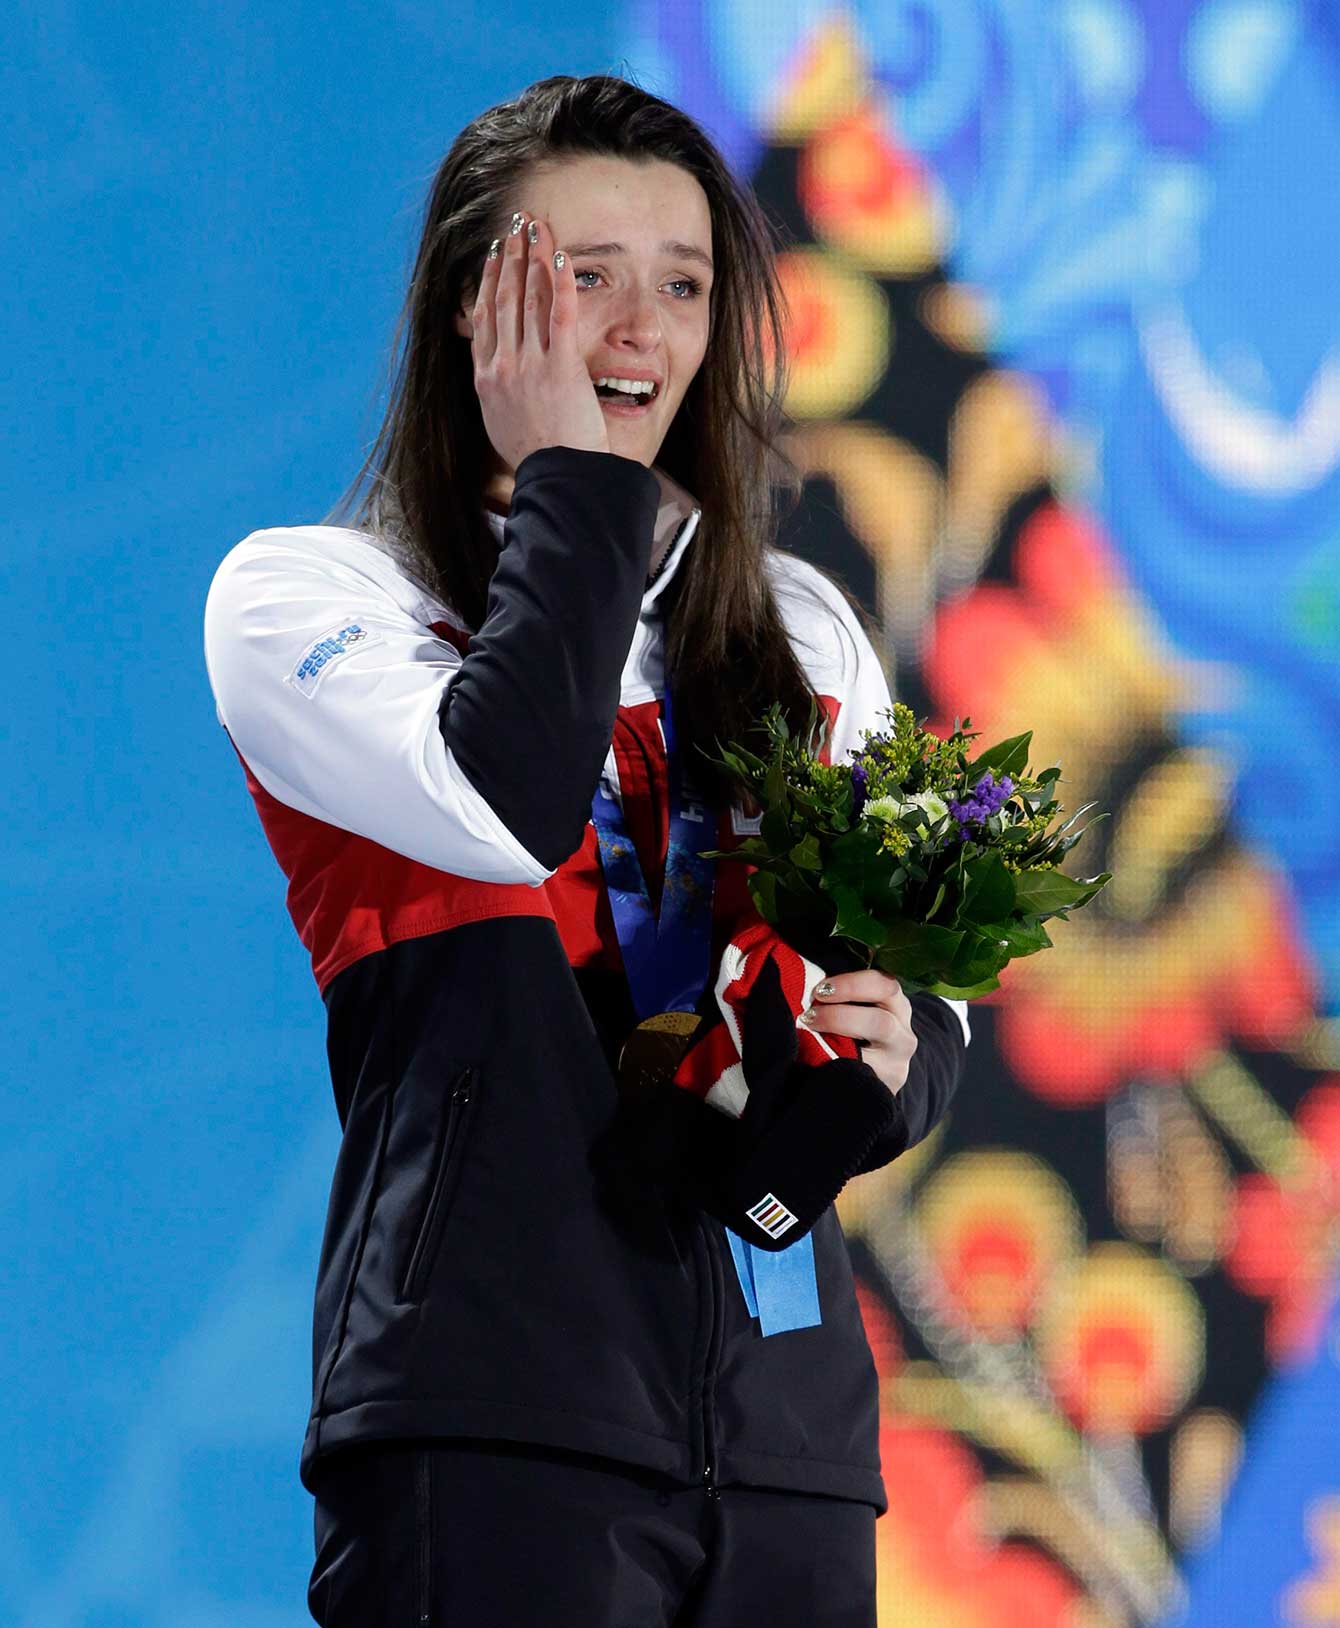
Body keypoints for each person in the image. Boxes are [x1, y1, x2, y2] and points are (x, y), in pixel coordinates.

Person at [202, 73, 969, 1627]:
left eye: (683, 285)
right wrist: (579, 490)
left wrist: (899, 1060)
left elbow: (918, 989)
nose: (640, 331)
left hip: (788, 1454)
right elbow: (506, 801)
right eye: (586, 278)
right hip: (491, 1424)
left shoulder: (800, 630)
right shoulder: (312, 600)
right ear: (472, 307)